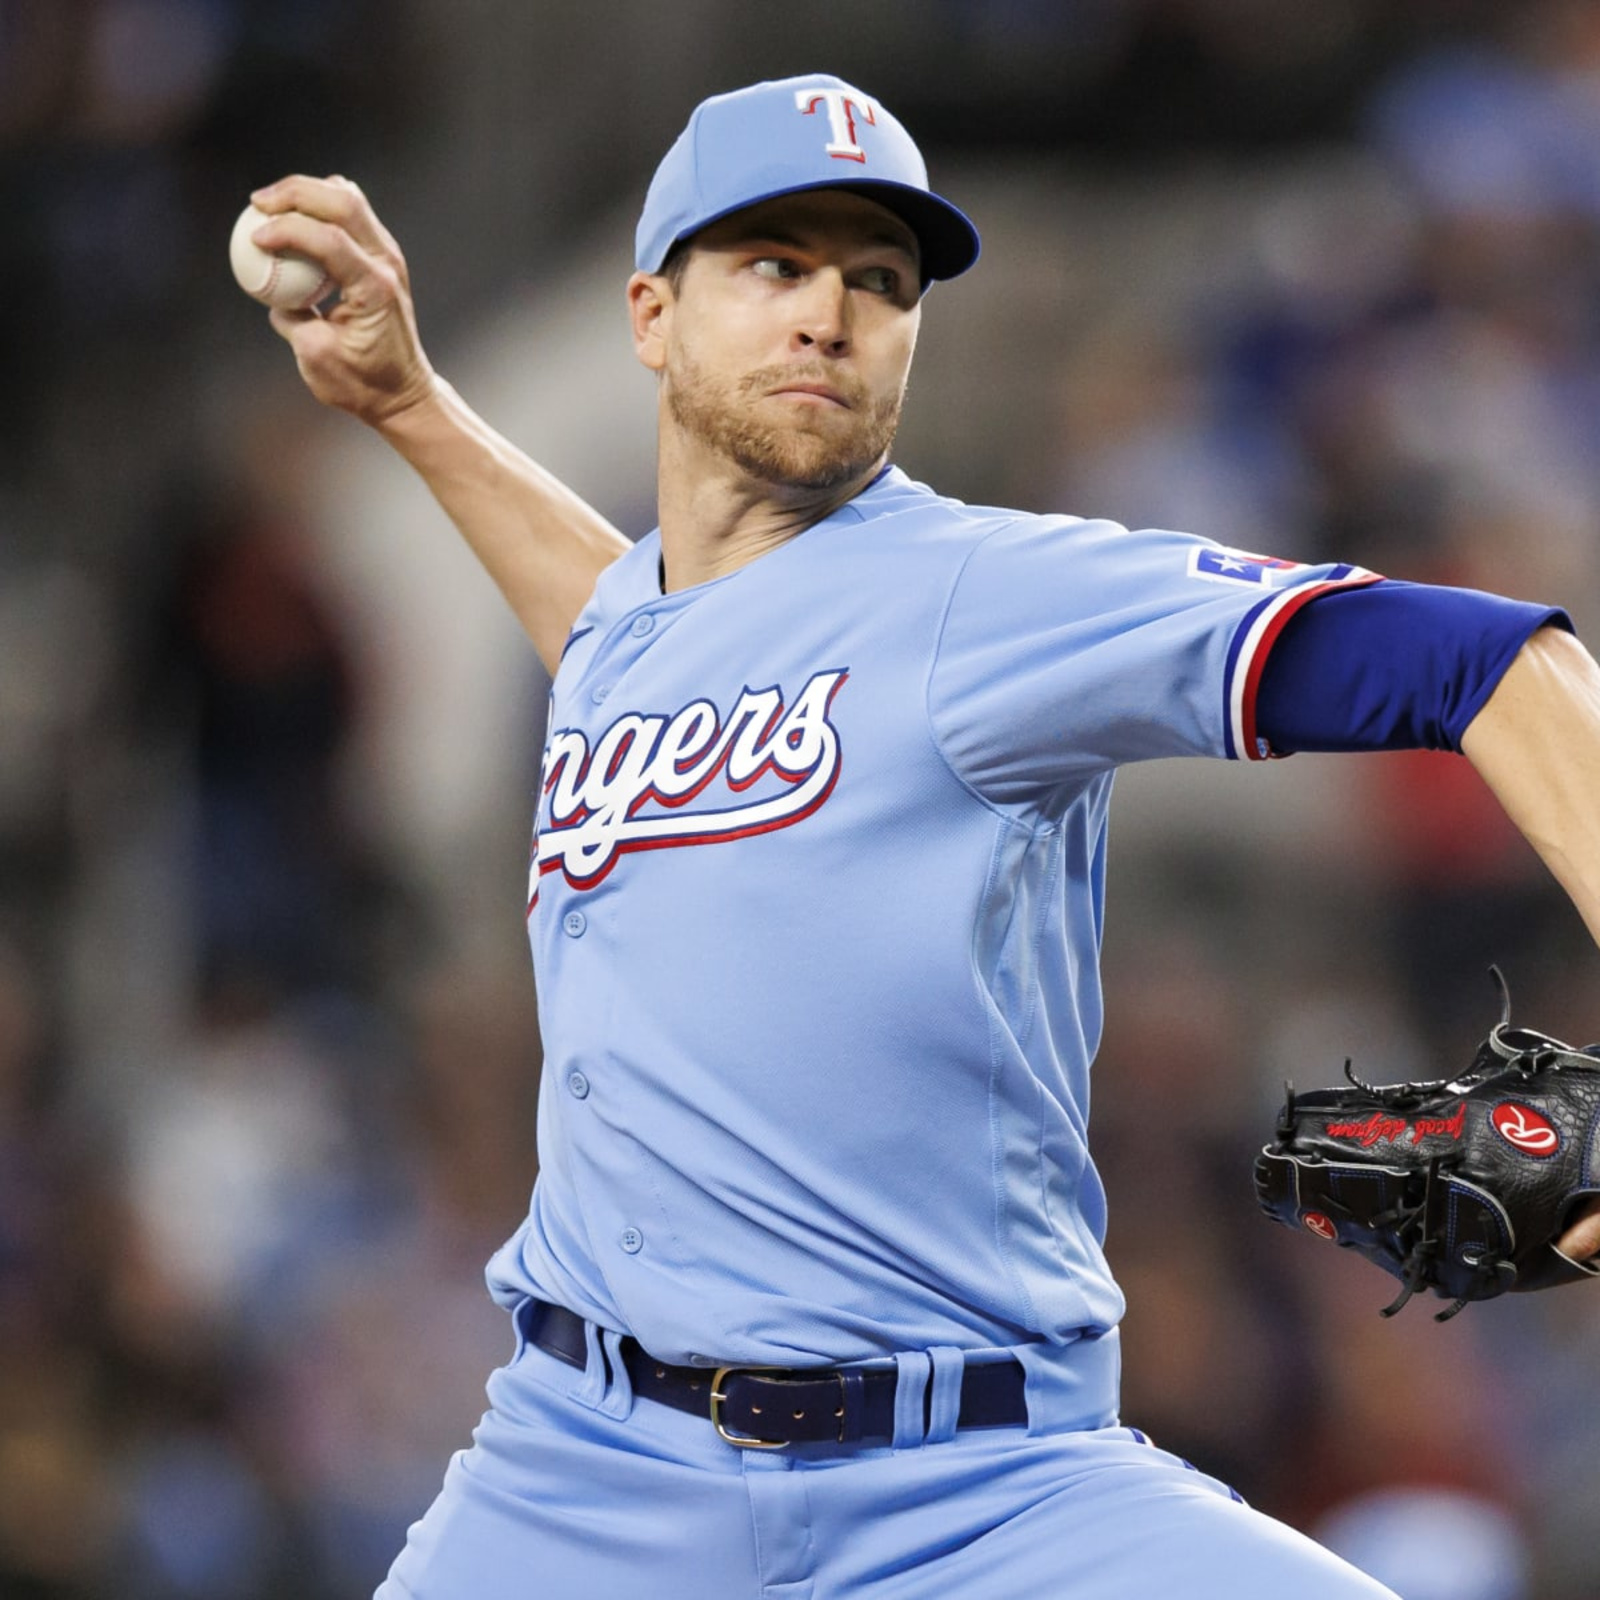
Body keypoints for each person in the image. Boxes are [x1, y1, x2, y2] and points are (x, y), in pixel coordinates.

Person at [248, 73, 1600, 1599]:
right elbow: (629, 622)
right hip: (581, 1474)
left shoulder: (988, 599)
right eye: (774, 264)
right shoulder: (645, 626)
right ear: (648, 315)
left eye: (878, 281)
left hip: (982, 1497)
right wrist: (409, 404)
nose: (830, 312)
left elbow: (1486, 663)